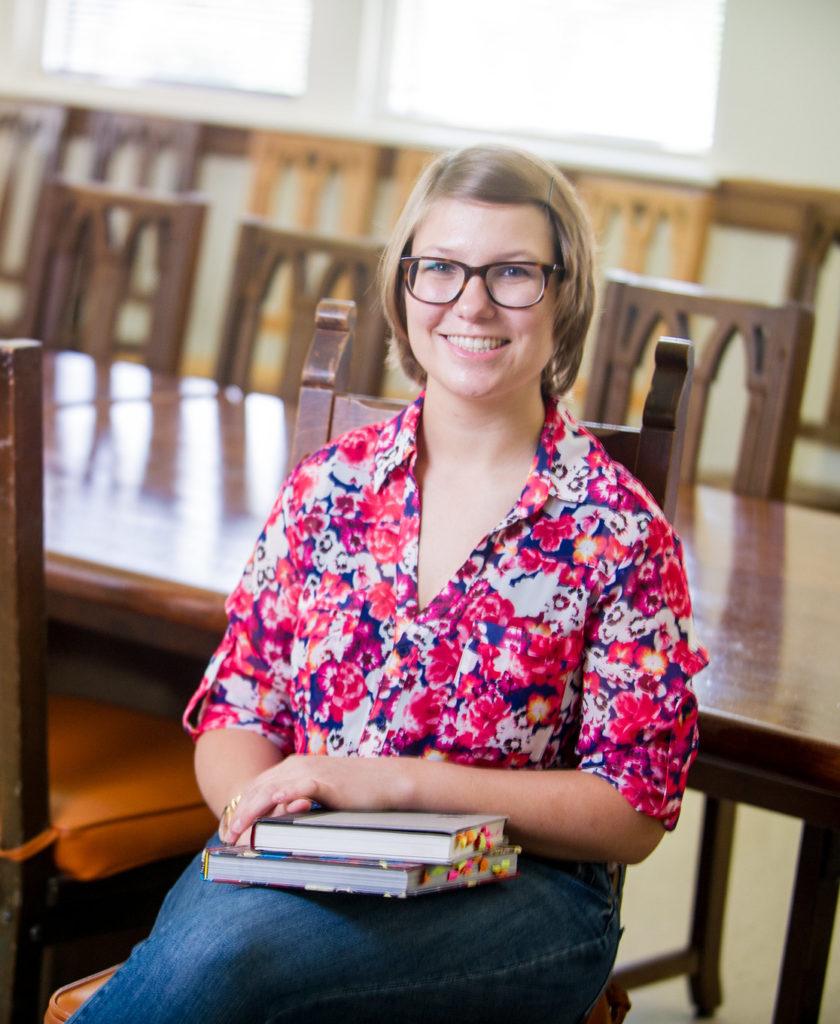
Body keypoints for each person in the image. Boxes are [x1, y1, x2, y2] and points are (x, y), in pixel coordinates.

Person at [70, 145, 708, 1024]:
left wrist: (393, 782)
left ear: (565, 298)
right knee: (224, 957)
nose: (471, 302)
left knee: (223, 964)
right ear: (404, 288)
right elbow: (239, 714)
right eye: (439, 268)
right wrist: (270, 819)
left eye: (513, 272)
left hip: (524, 897)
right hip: (304, 865)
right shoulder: (327, 487)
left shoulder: (619, 529)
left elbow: (631, 810)